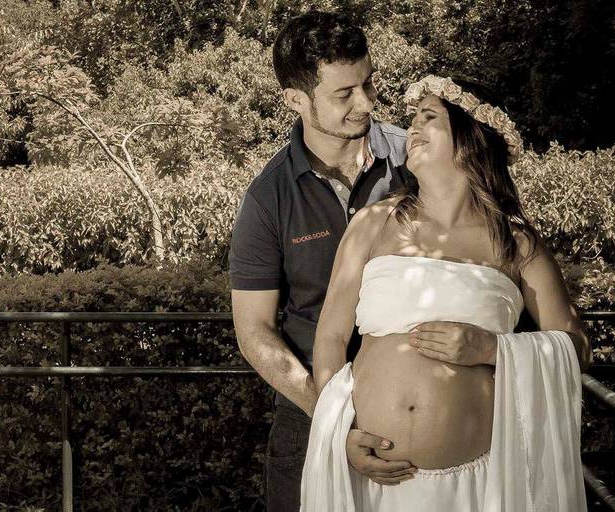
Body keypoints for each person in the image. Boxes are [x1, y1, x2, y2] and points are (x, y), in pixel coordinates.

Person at [301, 75, 591, 511]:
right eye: (413, 118)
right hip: (371, 483)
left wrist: (492, 349)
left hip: (478, 487)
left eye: (429, 117)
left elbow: (576, 346)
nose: (412, 127)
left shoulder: (516, 244)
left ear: (471, 138)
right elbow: (330, 337)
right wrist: (339, 431)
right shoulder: (374, 224)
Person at [229, 11, 417, 512]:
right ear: (295, 99)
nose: (367, 103)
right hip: (310, 415)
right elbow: (254, 332)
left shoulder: (419, 160)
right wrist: (334, 417)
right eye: (344, 93)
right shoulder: (267, 197)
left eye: (368, 83)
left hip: (418, 408)